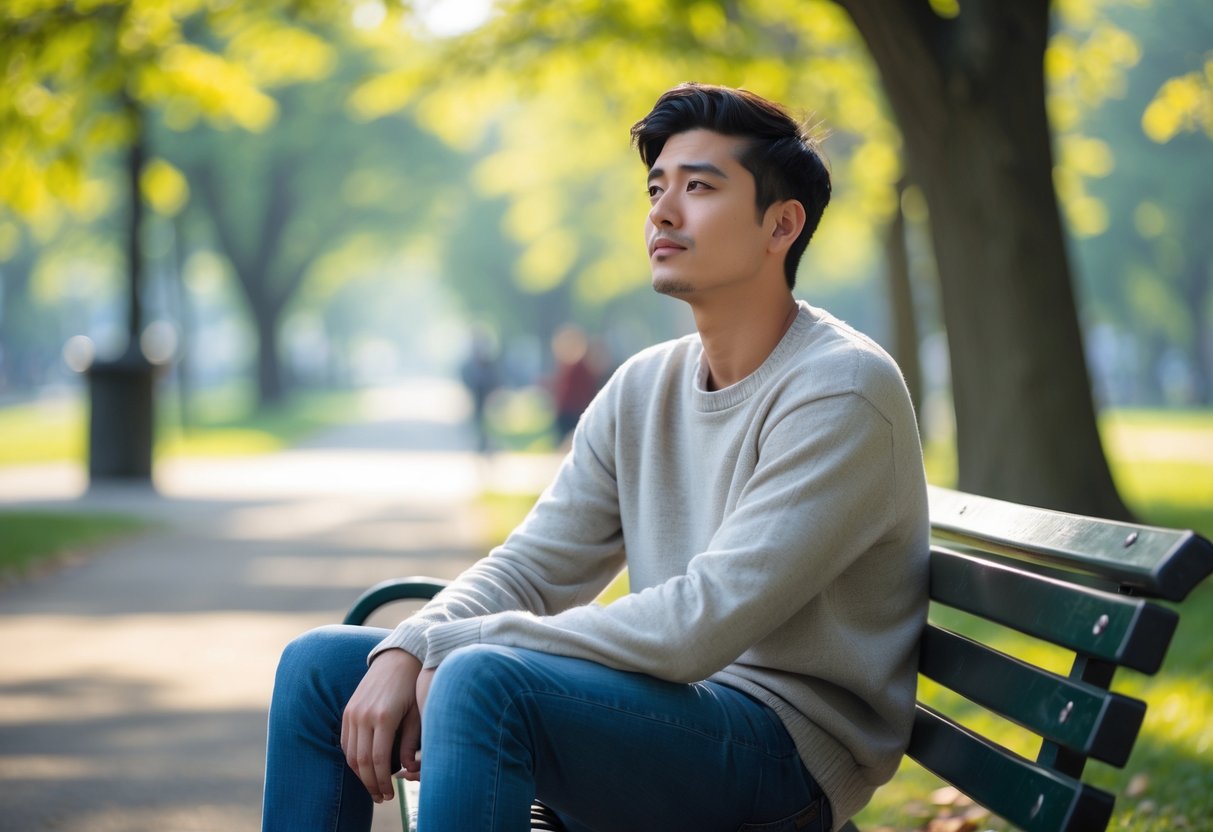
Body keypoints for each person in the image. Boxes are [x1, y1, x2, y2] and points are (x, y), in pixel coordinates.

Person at [262, 82, 929, 832]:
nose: (662, 212)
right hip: (664, 712)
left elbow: (695, 624)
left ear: (781, 225)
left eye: (699, 188)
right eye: (656, 188)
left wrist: (452, 649)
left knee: (484, 680)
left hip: (782, 752)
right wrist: (412, 641)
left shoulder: (840, 388)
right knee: (319, 666)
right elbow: (531, 568)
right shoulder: (643, 385)